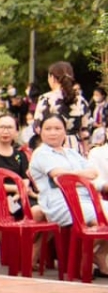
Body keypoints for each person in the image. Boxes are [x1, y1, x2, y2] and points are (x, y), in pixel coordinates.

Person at [29, 116, 105, 275]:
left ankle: (97, 254)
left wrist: (75, 177)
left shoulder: (71, 153)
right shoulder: (41, 153)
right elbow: (60, 178)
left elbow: (93, 172)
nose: (53, 133)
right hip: (60, 203)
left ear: (65, 131)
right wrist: (82, 176)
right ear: (40, 132)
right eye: (48, 129)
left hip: (86, 199)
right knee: (101, 219)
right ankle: (82, 258)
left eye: (58, 129)